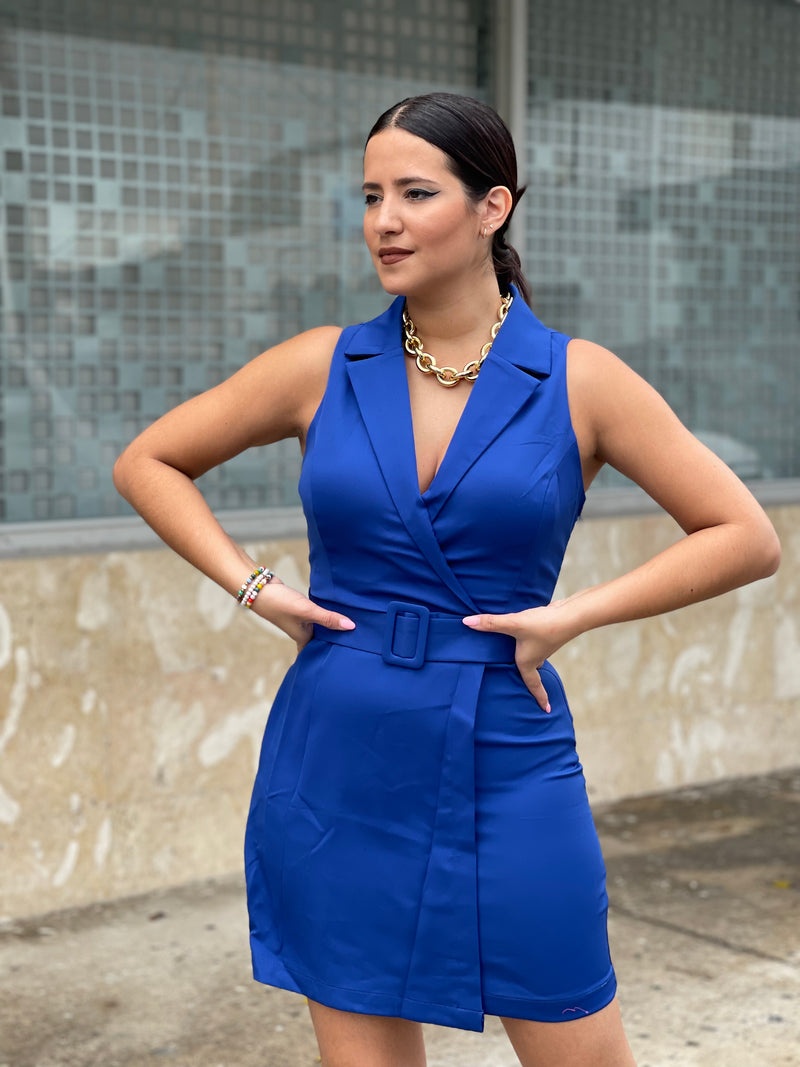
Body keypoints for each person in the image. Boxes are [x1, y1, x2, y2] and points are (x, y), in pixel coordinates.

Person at [113, 92, 781, 1067]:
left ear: (490, 207)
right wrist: (253, 585)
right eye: (370, 194)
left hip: (506, 743)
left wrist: (573, 613)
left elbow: (742, 533)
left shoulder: (578, 379)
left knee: (580, 1045)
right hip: (339, 743)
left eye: (414, 192)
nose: (381, 219)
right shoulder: (319, 364)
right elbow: (148, 461)